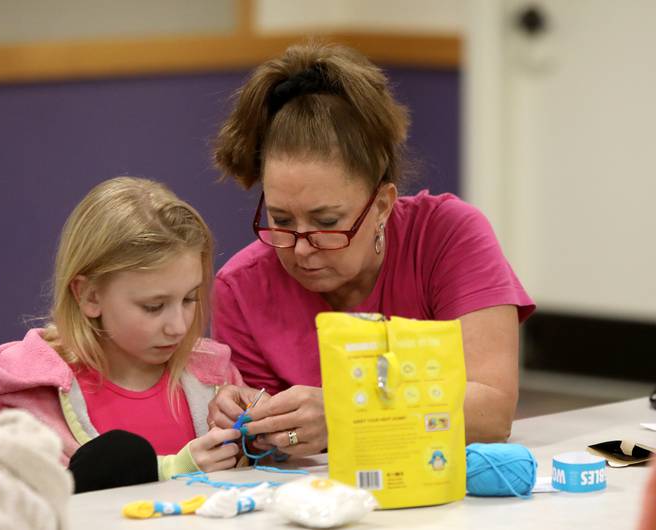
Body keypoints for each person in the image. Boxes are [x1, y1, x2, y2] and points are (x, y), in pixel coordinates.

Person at [208, 41, 535, 457]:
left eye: (327, 223)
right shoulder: (241, 288)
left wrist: (346, 415)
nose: (302, 249)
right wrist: (247, 425)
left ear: (382, 204)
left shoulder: (449, 236)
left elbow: (492, 412)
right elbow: (267, 451)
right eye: (282, 220)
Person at [0, 177, 243, 491]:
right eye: (154, 306)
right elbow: (21, 501)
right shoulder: (30, 395)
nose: (179, 327)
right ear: (90, 296)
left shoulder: (213, 376)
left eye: (189, 299)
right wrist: (172, 469)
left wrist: (261, 440)